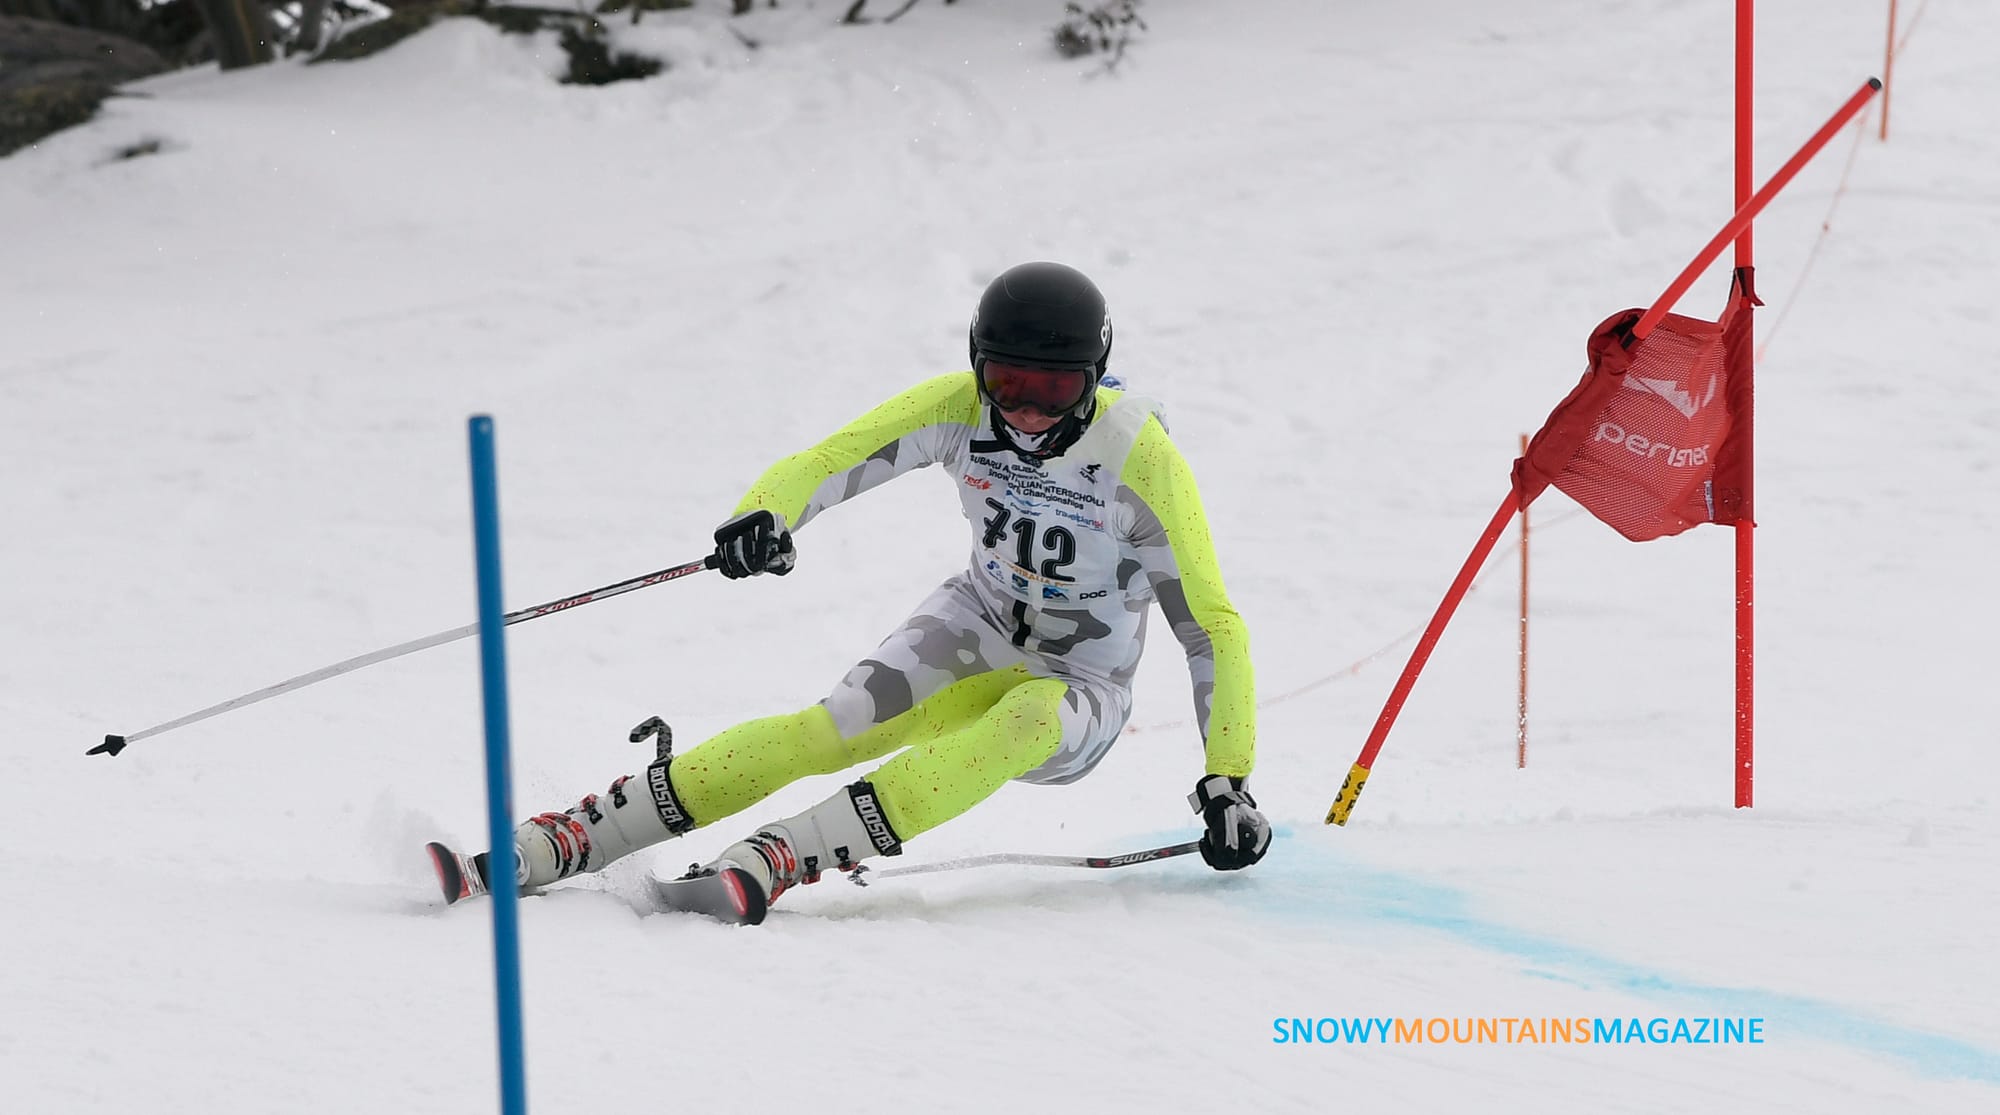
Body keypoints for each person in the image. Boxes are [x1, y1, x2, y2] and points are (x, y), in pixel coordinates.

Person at [432, 261, 1268, 919]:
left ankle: (785, 854)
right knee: (827, 730)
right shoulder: (957, 408)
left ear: (1095, 377)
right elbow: (826, 461)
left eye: (1053, 390)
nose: (1026, 413)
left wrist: (1226, 777)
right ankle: (564, 839)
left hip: (1081, 684)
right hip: (975, 626)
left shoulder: (1141, 460)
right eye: (1008, 385)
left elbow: (1212, 628)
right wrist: (764, 514)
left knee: (1028, 716)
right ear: (979, 369)